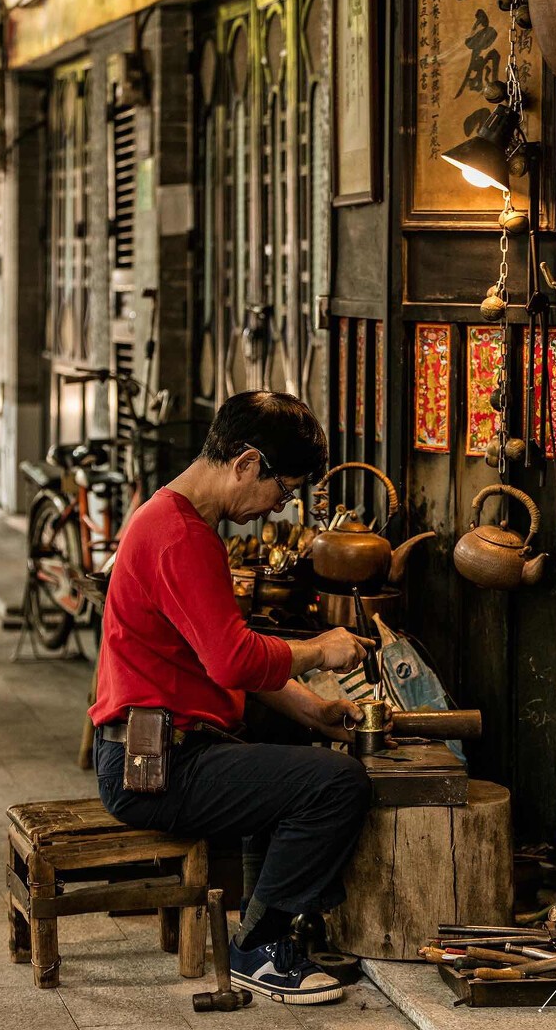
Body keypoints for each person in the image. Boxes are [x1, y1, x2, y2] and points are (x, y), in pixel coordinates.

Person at [90, 391, 375, 1005]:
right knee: (337, 784)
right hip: (154, 766)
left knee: (297, 745)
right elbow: (233, 657)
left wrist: (309, 707)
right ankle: (262, 949)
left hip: (160, 747)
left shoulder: (171, 517)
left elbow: (220, 658)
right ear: (246, 463)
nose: (280, 506)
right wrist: (322, 649)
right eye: (284, 489)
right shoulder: (181, 538)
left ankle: (262, 923)